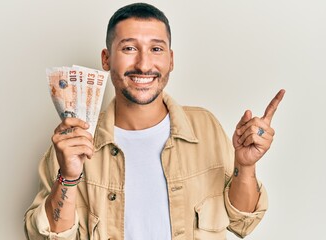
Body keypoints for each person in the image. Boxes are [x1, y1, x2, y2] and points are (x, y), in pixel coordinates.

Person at [24, 3, 285, 240]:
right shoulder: (73, 142)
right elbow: (44, 237)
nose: (144, 64)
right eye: (129, 48)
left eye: (156, 49)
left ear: (170, 60)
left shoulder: (205, 128)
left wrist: (246, 166)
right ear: (106, 58)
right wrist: (69, 177)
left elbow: (242, 222)